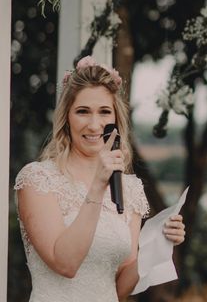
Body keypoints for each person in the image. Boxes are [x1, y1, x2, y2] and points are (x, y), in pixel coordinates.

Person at [14, 56, 186, 301]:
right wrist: (97, 185)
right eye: (83, 111)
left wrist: (159, 242)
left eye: (104, 112)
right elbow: (66, 264)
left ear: (115, 119)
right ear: (67, 118)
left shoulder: (130, 188)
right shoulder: (37, 179)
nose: (95, 125)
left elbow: (119, 287)